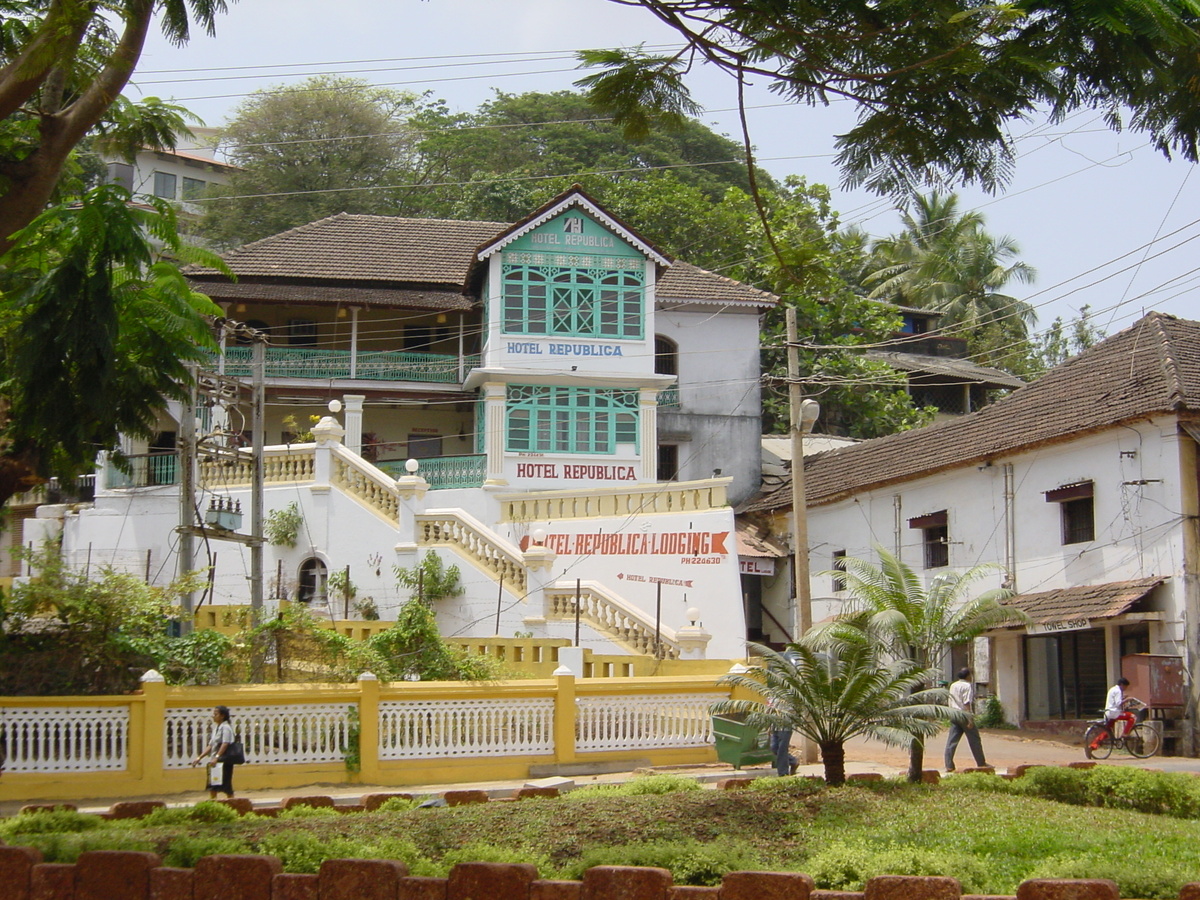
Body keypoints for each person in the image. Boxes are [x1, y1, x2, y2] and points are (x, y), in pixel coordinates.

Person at [944, 667, 988, 771]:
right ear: (968, 676)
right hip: (964, 714)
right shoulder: (967, 686)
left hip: (954, 714)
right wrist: (970, 719)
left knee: (952, 740)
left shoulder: (953, 685)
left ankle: (949, 765)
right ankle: (981, 763)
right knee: (974, 740)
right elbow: (966, 702)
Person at [190, 705, 235, 799]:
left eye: (215, 714)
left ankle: (233, 805)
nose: (213, 716)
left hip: (224, 761)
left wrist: (217, 757)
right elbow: (211, 745)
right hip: (215, 762)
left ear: (222, 716)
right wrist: (199, 757)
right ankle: (214, 804)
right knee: (213, 785)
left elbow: (225, 743)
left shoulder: (226, 727)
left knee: (226, 786)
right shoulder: (217, 728)